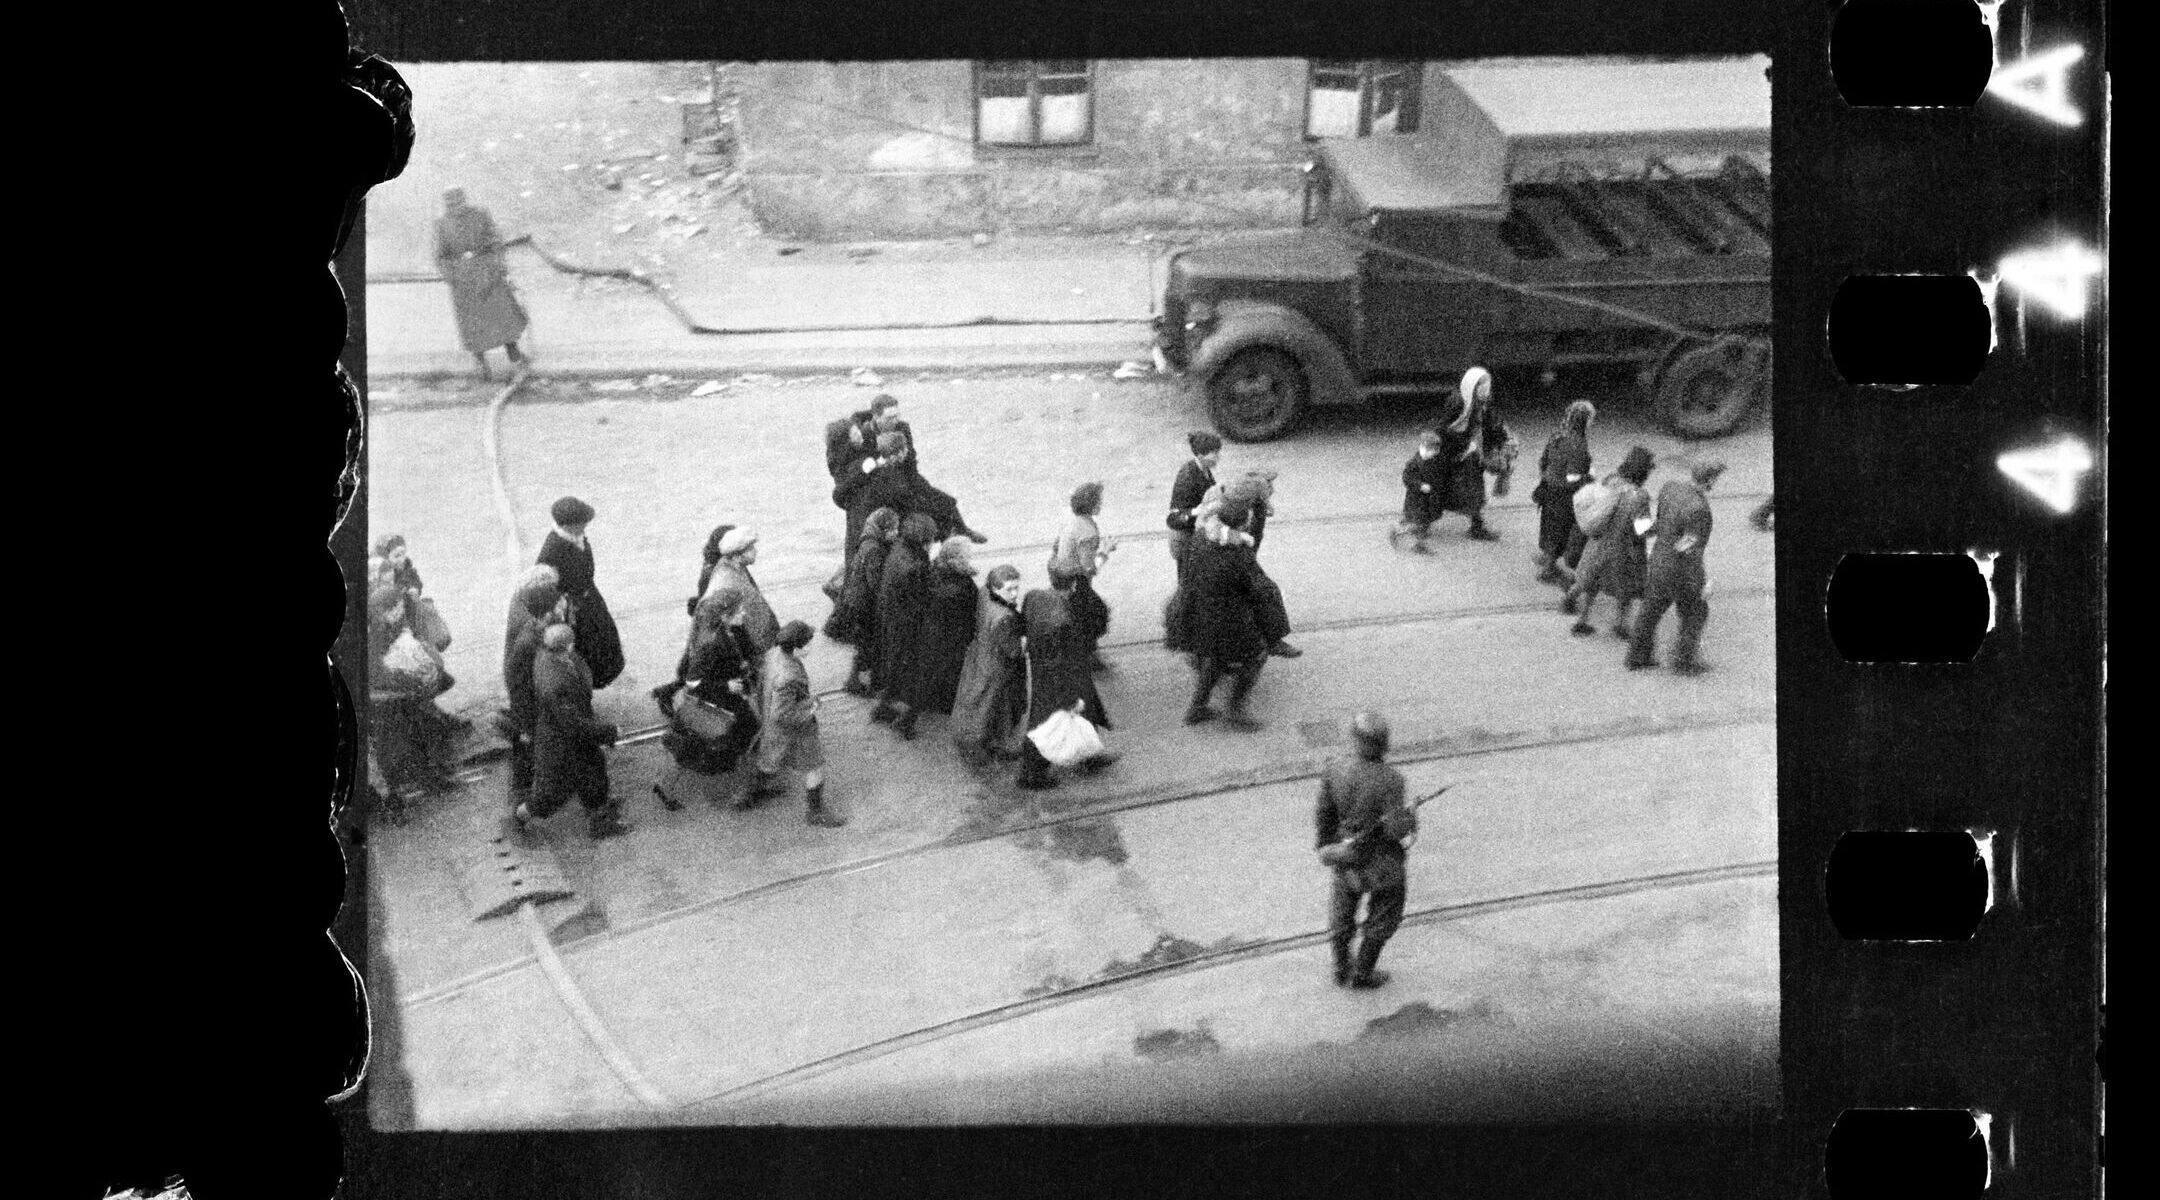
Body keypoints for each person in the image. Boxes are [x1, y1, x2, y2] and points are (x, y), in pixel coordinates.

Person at [1315, 711, 1419, 989]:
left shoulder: (1333, 768)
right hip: (1379, 863)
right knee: (1385, 913)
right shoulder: (1392, 780)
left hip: (1345, 856)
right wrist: (1410, 818)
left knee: (1341, 914)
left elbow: (1324, 814)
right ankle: (1362, 973)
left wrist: (1327, 847)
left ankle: (1340, 968)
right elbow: (1395, 831)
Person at [653, 582, 762, 810]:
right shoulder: (711, 644)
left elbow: (747, 651)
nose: (744, 612)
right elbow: (693, 682)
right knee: (691, 749)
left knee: (736, 739)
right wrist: (726, 686)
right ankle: (742, 792)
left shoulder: (733, 630)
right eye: (739, 610)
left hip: (730, 701)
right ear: (725, 616)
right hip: (715, 705)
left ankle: (745, 789)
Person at [523, 623, 629, 839]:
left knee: (595, 775)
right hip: (563, 744)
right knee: (550, 795)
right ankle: (519, 816)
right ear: (569, 646)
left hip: (568, 739)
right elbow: (574, 726)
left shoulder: (549, 659)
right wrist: (610, 731)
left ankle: (600, 817)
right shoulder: (557, 684)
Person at [1181, 495, 1275, 732]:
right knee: (1256, 655)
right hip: (1230, 619)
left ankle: (1197, 707)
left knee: (1215, 658)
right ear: (1242, 525)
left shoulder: (1201, 538)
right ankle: (1235, 709)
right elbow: (1253, 587)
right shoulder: (1238, 555)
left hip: (1203, 613)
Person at [1627, 459, 1726, 675]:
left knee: (1650, 611)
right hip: (1678, 570)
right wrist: (1702, 582)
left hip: (1658, 560)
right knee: (1696, 612)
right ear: (1710, 481)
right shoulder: (1699, 509)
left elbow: (1661, 520)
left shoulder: (1669, 488)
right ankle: (1684, 661)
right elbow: (1688, 548)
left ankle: (1637, 656)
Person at [368, 579, 457, 816]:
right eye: (394, 609)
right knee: (395, 745)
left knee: (415, 734)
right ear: (382, 611)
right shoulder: (373, 633)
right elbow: (377, 672)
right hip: (383, 701)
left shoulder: (387, 625)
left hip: (397, 695)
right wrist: (406, 677)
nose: (399, 612)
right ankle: (398, 793)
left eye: (399, 607)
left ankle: (427, 778)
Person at [1015, 583, 1114, 790]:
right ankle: (1032, 773)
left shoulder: (1036, 598)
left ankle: (1087, 755)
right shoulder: (1062, 624)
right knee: (1050, 724)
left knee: (1054, 719)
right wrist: (1070, 699)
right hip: (1064, 677)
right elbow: (1062, 666)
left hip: (1046, 672)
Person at [754, 620, 846, 827]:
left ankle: (754, 793)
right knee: (815, 767)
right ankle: (816, 812)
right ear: (796, 648)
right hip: (797, 730)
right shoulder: (789, 676)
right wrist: (810, 707)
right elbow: (783, 713)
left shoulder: (774, 654)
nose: (811, 647)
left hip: (771, 724)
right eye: (808, 644)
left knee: (770, 759)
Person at [434, 188, 530, 380]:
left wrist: (496, 265)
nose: (456, 207)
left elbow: (496, 241)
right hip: (463, 280)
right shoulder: (442, 225)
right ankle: (481, 364)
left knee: (502, 315)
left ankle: (514, 354)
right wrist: (453, 276)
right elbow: (440, 256)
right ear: (446, 205)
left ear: (465, 200)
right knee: (472, 325)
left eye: (459, 202)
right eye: (451, 204)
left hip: (487, 271)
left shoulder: (480, 215)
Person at [1564, 446, 1656, 638]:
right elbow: (1642, 529)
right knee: (1626, 588)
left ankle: (1579, 616)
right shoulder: (1639, 497)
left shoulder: (1610, 480)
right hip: (1624, 549)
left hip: (1598, 542)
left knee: (1590, 580)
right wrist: (1658, 528)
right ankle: (1620, 625)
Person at [535, 496, 625, 688]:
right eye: (581, 524)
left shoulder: (577, 537)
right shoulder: (553, 550)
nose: (584, 528)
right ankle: (582, 687)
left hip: (588, 599)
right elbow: (544, 588)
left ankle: (592, 682)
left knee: (603, 640)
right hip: (572, 608)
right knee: (582, 649)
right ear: (568, 525)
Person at [950, 564, 1029, 769]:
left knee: (982, 704)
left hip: (982, 658)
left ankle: (986, 743)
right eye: (1009, 589)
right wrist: (1025, 643)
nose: (1014, 594)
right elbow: (1014, 651)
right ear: (995, 588)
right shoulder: (1005, 617)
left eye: (1016, 588)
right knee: (997, 708)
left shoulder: (985, 594)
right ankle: (995, 746)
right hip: (1000, 670)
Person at [870, 513, 941, 739]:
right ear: (924, 540)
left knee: (895, 670)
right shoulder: (917, 565)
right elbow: (926, 597)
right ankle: (906, 721)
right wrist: (933, 562)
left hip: (891, 622)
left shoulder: (898, 549)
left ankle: (883, 708)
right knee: (921, 677)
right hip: (911, 629)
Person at [500, 564, 564, 816]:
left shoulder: (523, 609)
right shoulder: (531, 637)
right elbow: (522, 677)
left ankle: (523, 795)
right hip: (528, 696)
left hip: (527, 693)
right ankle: (523, 804)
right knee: (531, 742)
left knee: (530, 742)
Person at [1431, 366, 1517, 542]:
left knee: (1474, 490)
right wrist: (1464, 444)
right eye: (1482, 387)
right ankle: (1418, 523)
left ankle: (1476, 525)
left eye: (1487, 386)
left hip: (1471, 456)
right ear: (1472, 387)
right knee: (1438, 490)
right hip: (1453, 454)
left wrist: (1504, 439)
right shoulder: (1458, 404)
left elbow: (1492, 424)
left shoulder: (1482, 404)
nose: (1486, 390)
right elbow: (1444, 431)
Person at [828, 508, 900, 693]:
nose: (896, 532)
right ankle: (859, 683)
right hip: (865, 605)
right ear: (883, 528)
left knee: (865, 645)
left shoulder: (868, 541)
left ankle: (858, 682)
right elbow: (875, 582)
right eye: (893, 528)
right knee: (869, 645)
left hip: (857, 603)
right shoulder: (874, 549)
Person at [1048, 481, 1116, 671]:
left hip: (1060, 574)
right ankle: (1087, 658)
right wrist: (1105, 552)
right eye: (1098, 502)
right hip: (1075, 581)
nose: (1101, 505)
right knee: (1094, 615)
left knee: (1085, 616)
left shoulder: (1072, 520)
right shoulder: (1088, 533)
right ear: (1091, 505)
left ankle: (1087, 655)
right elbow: (1089, 569)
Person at [1531, 400, 1597, 585]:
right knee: (1560, 531)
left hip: (1548, 488)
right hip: (1564, 496)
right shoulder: (1578, 444)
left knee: (1548, 526)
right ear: (1584, 421)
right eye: (1591, 419)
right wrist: (1590, 477)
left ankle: (1546, 557)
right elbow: (1573, 478)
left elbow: (1543, 461)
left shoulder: (1558, 435)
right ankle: (1549, 569)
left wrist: (1546, 477)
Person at [916, 537, 982, 716]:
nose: (969, 559)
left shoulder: (936, 570)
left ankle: (934, 700)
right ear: (957, 559)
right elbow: (971, 610)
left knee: (938, 667)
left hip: (935, 630)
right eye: (967, 556)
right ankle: (945, 704)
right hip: (954, 634)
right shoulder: (962, 584)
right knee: (951, 669)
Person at [701, 527, 780, 658]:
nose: (756, 551)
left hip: (764, 643)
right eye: (751, 548)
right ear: (738, 555)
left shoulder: (737, 568)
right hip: (755, 651)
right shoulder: (726, 580)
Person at [1166, 431, 1223, 570]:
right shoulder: (1187, 478)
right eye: (1214, 453)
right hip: (1184, 539)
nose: (1218, 458)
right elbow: (1174, 518)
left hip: (1195, 534)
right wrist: (1198, 510)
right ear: (1200, 456)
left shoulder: (1204, 469)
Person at [1391, 429, 1450, 554]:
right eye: (1429, 451)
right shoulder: (1413, 463)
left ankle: (1401, 531)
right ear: (1423, 447)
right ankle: (1418, 545)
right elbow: (1407, 478)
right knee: (1419, 521)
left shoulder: (1432, 461)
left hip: (1426, 499)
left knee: (1420, 520)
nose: (1431, 455)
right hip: (1416, 499)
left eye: (1433, 452)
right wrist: (1420, 485)